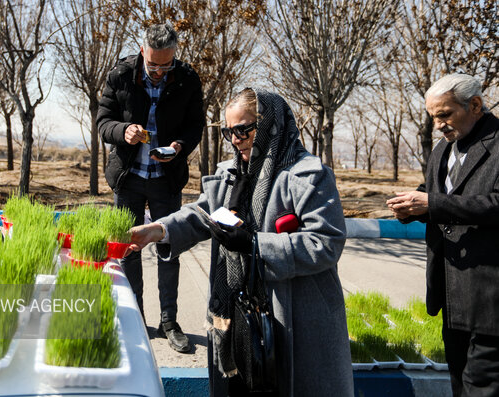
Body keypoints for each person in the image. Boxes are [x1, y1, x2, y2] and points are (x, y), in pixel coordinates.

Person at [130, 88, 353, 396]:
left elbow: (325, 242)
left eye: (243, 130)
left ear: (269, 128)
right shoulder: (231, 173)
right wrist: (156, 230)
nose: (234, 139)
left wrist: (255, 245)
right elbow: (204, 213)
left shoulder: (307, 176)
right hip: (233, 316)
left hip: (289, 320)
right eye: (228, 131)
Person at [387, 73, 499, 397]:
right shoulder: (442, 149)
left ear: (475, 105)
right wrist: (413, 206)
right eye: (433, 116)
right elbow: (437, 195)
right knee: (459, 386)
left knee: (483, 387)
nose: (438, 124)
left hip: (490, 299)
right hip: (452, 295)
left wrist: (432, 203)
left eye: (444, 114)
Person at [97, 23, 205, 353]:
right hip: (128, 178)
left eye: (166, 64)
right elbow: (103, 121)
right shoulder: (121, 75)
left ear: (175, 56)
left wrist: (179, 147)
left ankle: (169, 321)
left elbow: (195, 125)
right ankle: (136, 320)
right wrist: (123, 131)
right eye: (153, 64)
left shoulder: (187, 79)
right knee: (128, 249)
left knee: (168, 247)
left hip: (165, 179)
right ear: (142, 51)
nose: (158, 71)